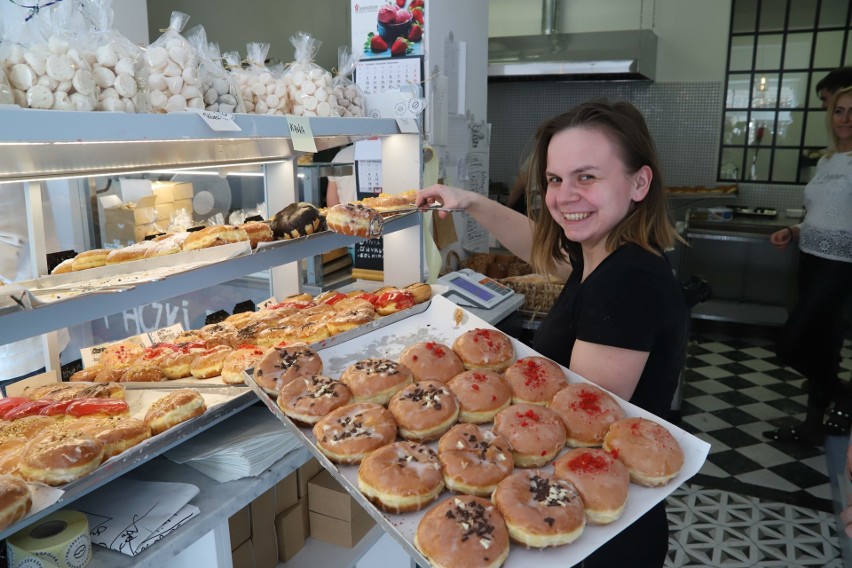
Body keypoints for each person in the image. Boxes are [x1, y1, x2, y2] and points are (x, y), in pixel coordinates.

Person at [417, 99, 687, 568]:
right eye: (555, 180)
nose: (563, 196)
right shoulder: (606, 255)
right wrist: (471, 202)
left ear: (639, 182)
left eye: (588, 177)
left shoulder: (627, 283)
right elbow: (545, 252)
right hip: (588, 511)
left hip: (594, 534)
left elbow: (576, 425)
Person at [765, 86, 852, 445]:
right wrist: (793, 229)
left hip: (842, 265)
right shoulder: (827, 160)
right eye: (839, 111)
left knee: (791, 343)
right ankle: (813, 424)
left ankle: (844, 394)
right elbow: (822, 214)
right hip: (811, 258)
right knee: (821, 346)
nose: (846, 118)